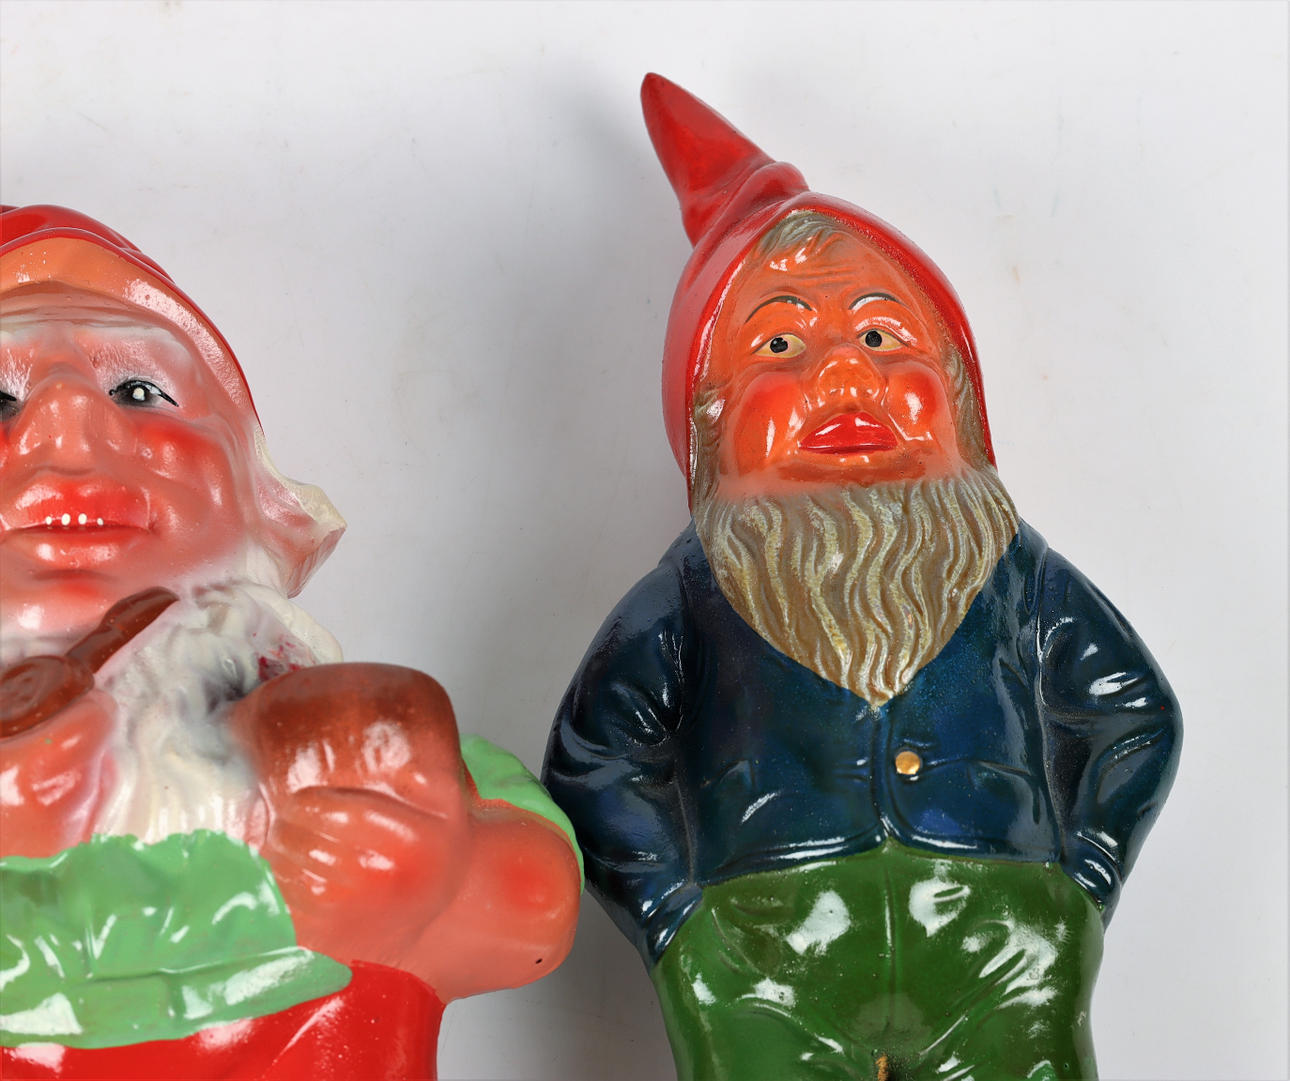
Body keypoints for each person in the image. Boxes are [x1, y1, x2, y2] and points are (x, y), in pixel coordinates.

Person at [543, 76, 1181, 1081]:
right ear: (709, 425)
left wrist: (1076, 889)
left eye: (882, 336)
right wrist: (678, 923)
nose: (844, 376)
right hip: (764, 958)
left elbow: (1134, 714)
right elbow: (593, 759)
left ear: (958, 397)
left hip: (1002, 949)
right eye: (779, 345)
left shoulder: (1010, 569)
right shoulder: (696, 590)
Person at [0, 204, 581, 1080]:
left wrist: (440, 860)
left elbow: (540, 902)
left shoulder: (387, 747)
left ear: (264, 502)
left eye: (139, 391)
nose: (69, 417)